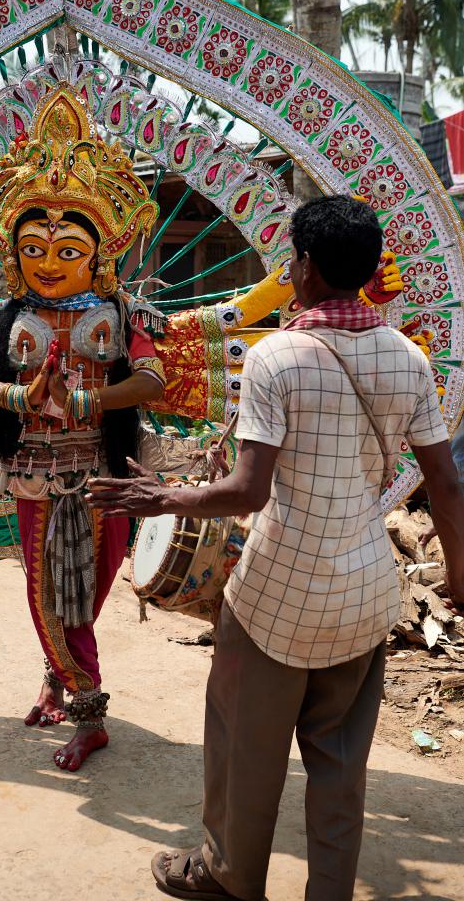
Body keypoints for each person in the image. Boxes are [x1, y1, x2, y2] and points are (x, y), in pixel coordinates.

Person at [87, 195, 464, 901]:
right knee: (340, 766)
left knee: (242, 747)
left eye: (291, 257)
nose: (288, 268)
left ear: (309, 267)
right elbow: (443, 483)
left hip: (275, 598)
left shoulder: (276, 357)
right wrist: (459, 577)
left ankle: (230, 875)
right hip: (363, 594)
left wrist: (161, 497)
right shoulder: (408, 359)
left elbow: (247, 493)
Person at [0, 85, 165, 772]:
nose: (49, 260)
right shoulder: (8, 315)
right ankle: (87, 711)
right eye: (35, 247)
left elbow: (151, 381)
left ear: (97, 253)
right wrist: (18, 394)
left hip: (101, 477)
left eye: (66, 248)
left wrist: (85, 405)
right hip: (35, 478)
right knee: (53, 601)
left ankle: (60, 675)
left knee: (86, 594)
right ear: (15, 253)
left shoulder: (116, 313)